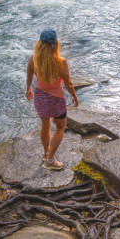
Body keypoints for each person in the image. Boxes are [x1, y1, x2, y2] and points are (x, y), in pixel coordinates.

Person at [26, 28, 79, 170]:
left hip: (40, 97)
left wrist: (28, 89)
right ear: (55, 43)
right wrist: (74, 96)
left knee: (45, 125)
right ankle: (50, 160)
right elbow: (68, 84)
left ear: (40, 43)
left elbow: (29, 75)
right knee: (60, 127)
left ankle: (46, 153)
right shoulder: (61, 62)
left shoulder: (34, 59)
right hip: (56, 99)